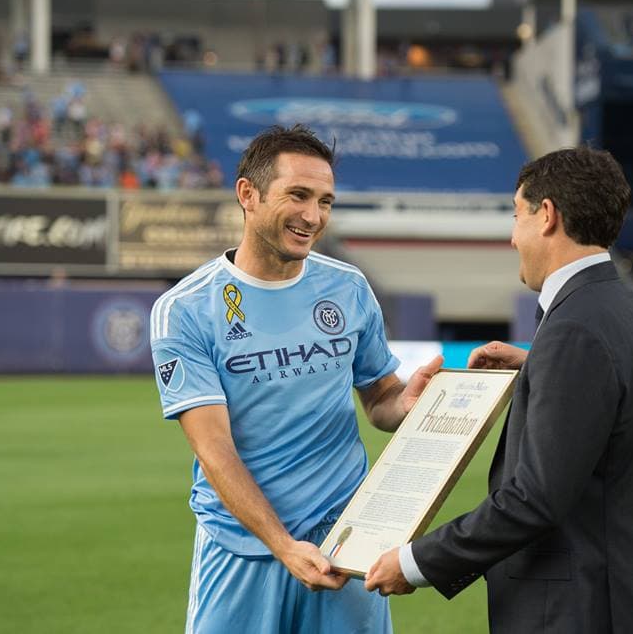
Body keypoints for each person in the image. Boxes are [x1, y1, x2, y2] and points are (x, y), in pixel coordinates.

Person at [365, 146, 633, 633]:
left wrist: (415, 562)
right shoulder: (622, 307)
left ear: (548, 215)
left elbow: (533, 499)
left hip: (581, 611)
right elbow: (607, 393)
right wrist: (539, 368)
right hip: (624, 596)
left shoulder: (575, 328)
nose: (512, 238)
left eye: (517, 216)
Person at [148, 124, 440, 633]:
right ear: (248, 194)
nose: (313, 216)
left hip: (345, 545)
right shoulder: (186, 310)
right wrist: (282, 545)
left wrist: (406, 403)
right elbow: (214, 450)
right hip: (242, 548)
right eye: (298, 196)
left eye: (325, 201)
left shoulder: (348, 287)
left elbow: (380, 398)